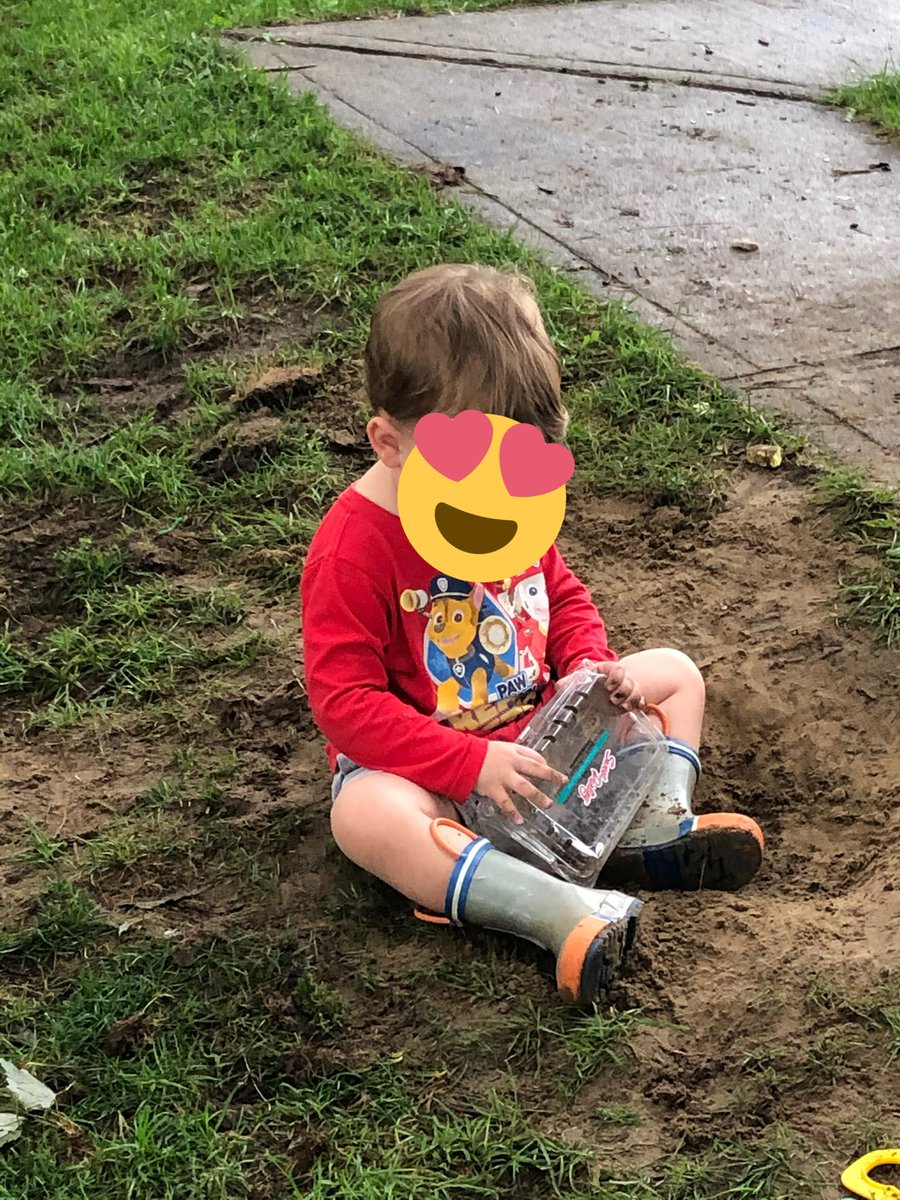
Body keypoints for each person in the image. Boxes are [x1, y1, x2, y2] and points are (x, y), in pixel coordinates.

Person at [300, 263, 764, 1005]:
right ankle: (561, 913)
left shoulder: (506, 502)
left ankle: (656, 828)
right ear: (389, 442)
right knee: (364, 815)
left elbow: (562, 594)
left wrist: (591, 671)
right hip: (437, 776)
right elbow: (345, 704)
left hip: (548, 748)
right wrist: (465, 763)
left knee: (674, 672)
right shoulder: (352, 547)